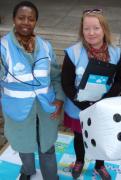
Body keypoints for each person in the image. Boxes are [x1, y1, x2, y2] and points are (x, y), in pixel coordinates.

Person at [0, 1, 64, 180]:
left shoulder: (45, 46)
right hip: (18, 110)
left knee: (47, 147)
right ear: (14, 19)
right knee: (24, 146)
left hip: (46, 108)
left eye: (31, 19)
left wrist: (59, 99)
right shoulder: (3, 48)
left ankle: (51, 177)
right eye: (21, 18)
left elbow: (56, 76)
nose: (26, 22)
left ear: (36, 22)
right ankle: (27, 171)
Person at [61, 9, 121, 180]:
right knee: (79, 136)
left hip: (103, 106)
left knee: (102, 137)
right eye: (86, 28)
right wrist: (83, 105)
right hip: (78, 107)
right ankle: (80, 160)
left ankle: (99, 164)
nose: (91, 33)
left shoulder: (115, 53)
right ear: (82, 30)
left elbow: (119, 81)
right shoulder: (73, 53)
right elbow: (66, 83)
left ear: (104, 29)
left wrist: (103, 102)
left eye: (96, 28)